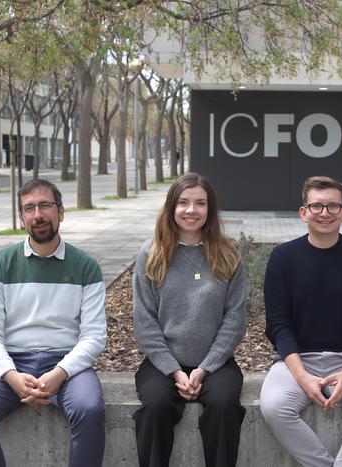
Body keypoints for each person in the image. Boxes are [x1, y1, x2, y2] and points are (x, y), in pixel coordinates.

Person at [0, 179, 107, 467]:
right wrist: (10, 375)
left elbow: (94, 335)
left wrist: (60, 373)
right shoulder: (0, 264)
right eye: (29, 208)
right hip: (12, 362)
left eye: (45, 205)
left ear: (61, 212)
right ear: (22, 218)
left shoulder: (86, 266)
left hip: (67, 365)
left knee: (89, 410)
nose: (37, 214)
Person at [260, 175, 342, 467]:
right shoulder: (283, 257)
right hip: (296, 362)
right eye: (316, 207)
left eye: (333, 207)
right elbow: (278, 324)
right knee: (274, 407)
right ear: (303, 212)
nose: (325, 214)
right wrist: (303, 377)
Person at [132, 172, 247, 467]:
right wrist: (174, 371)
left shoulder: (227, 253)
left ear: (210, 209)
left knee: (223, 406)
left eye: (200, 203)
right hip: (162, 364)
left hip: (216, 363)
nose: (191, 210)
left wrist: (205, 368)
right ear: (171, 208)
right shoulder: (152, 253)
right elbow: (145, 321)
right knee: (155, 408)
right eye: (183, 203)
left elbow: (234, 319)